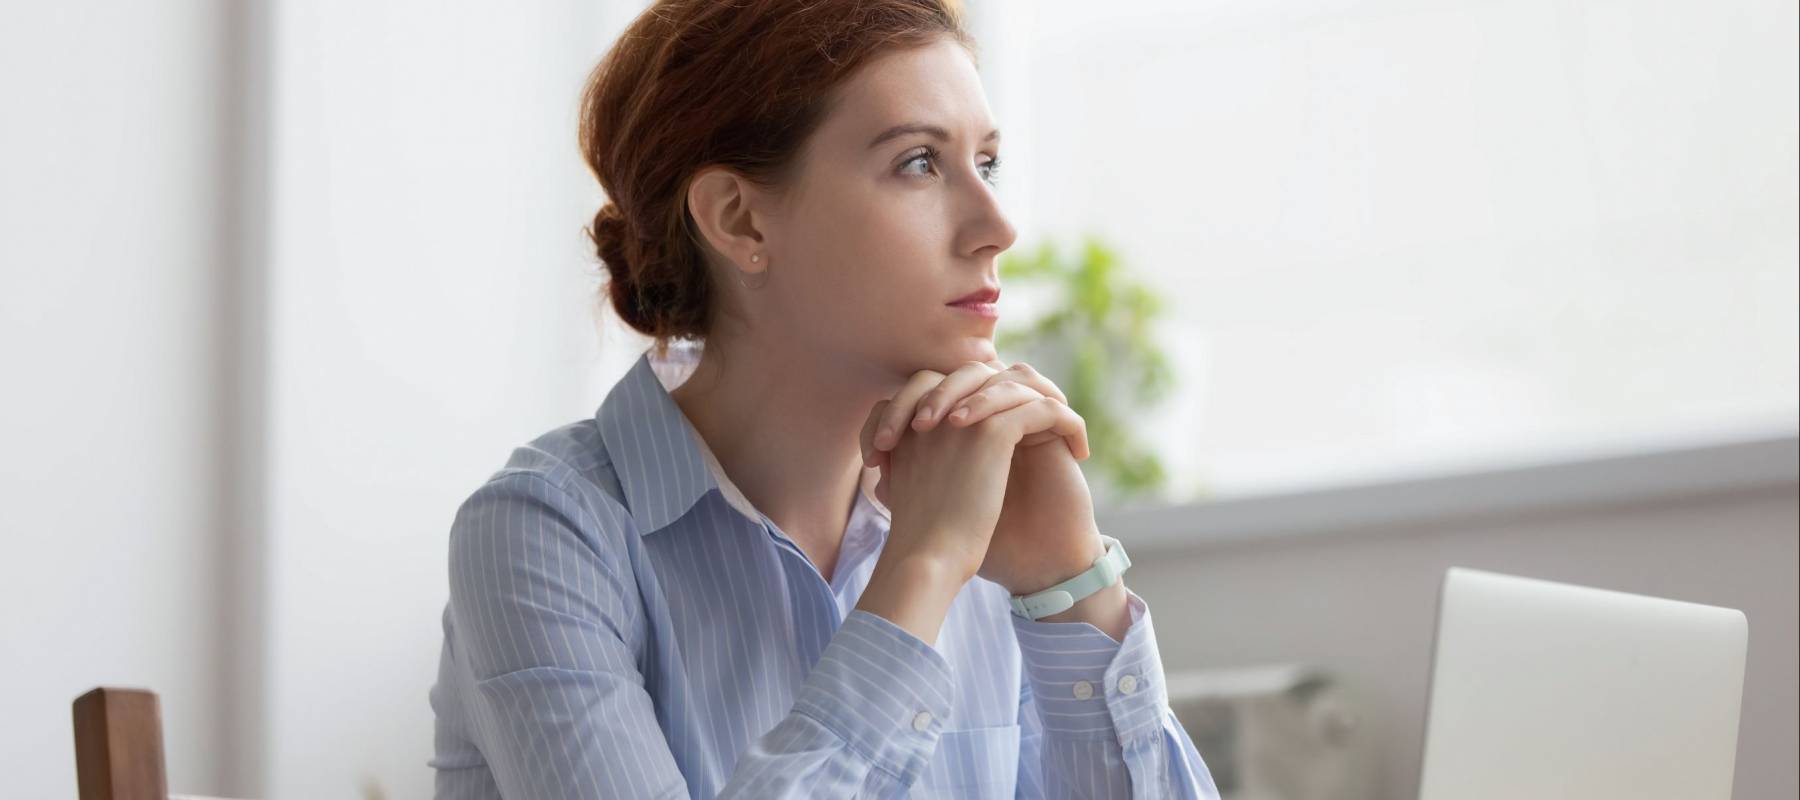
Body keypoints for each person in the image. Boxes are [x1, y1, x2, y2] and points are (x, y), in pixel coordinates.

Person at [427, 1, 1221, 796]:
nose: (998, 225)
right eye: (918, 162)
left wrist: (1073, 583)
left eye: (986, 164)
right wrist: (925, 566)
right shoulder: (543, 534)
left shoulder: (988, 500)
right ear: (740, 221)